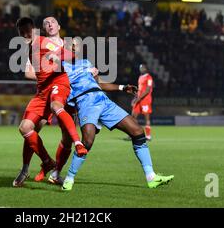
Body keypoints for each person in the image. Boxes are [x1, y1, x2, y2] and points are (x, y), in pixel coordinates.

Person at [61, 39, 174, 191]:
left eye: (77, 45)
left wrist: (122, 87)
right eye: (71, 45)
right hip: (86, 102)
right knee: (87, 142)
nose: (74, 47)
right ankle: (69, 178)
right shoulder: (61, 67)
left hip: (103, 100)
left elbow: (99, 84)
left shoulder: (86, 63)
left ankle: (151, 177)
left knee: (138, 132)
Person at [13, 17, 87, 187]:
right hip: (43, 92)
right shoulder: (30, 47)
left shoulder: (45, 42)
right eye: (22, 31)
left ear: (34, 29)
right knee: (27, 129)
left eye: (28, 30)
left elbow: (70, 54)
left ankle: (58, 168)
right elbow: (29, 72)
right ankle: (37, 165)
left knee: (65, 136)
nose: (26, 33)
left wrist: (63, 56)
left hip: (60, 87)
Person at [131, 64, 154, 140]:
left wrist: (139, 98)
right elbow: (139, 89)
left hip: (145, 100)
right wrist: (135, 98)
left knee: (146, 118)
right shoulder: (140, 77)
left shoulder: (149, 78)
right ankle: (133, 133)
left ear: (146, 69)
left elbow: (147, 90)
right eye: (140, 68)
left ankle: (148, 136)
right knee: (133, 116)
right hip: (139, 99)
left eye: (143, 68)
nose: (141, 69)